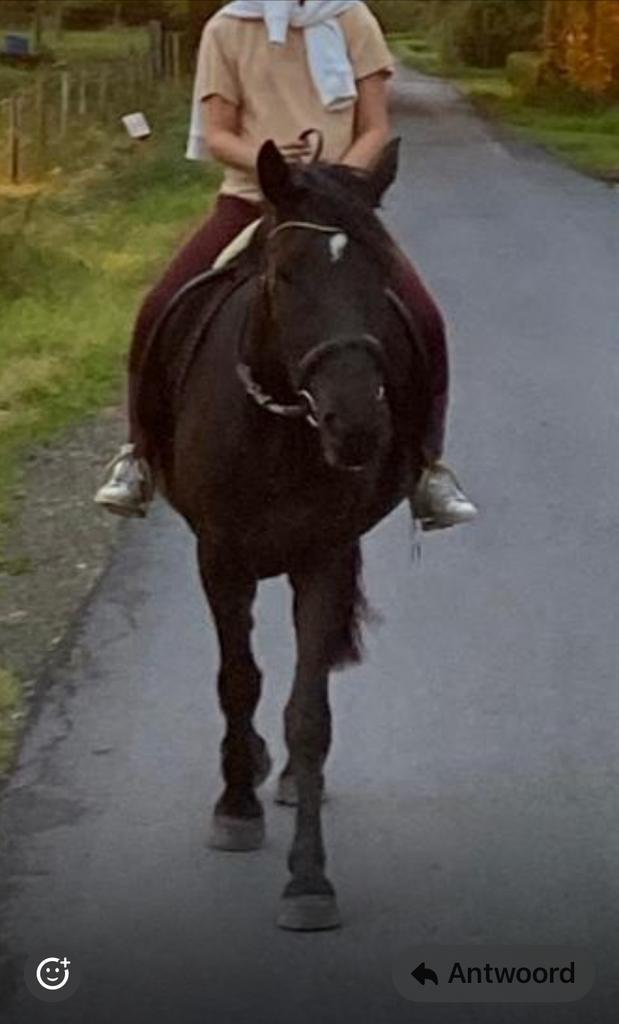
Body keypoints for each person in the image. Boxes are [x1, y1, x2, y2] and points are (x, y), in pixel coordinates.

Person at [95, 0, 477, 530]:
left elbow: (374, 128)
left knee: (423, 317)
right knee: (160, 307)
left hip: (338, 207)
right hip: (255, 195)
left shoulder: (352, 18)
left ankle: (427, 468)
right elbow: (219, 132)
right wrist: (278, 169)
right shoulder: (227, 28)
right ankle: (137, 456)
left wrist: (330, 184)